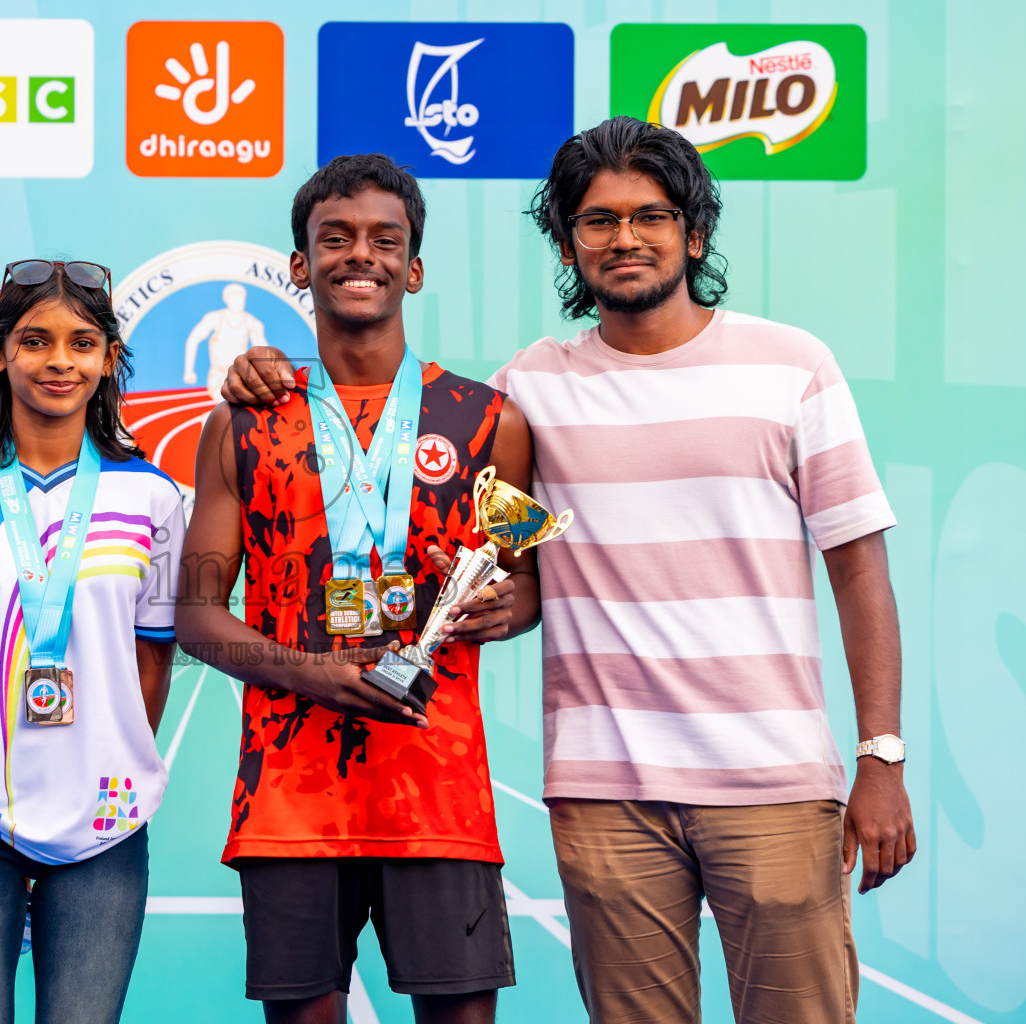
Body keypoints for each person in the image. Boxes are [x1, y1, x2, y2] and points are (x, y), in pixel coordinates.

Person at [221, 118, 915, 1024]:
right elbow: (510, 564)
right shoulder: (526, 393)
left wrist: (882, 756)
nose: (625, 238)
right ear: (566, 242)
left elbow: (860, 571)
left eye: (651, 216)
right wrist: (264, 370)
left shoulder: (792, 366)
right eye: (596, 221)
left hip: (773, 783)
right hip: (605, 791)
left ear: (693, 234)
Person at [176, 153, 540, 1024]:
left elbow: (526, 588)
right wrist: (317, 674)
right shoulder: (244, 419)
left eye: (385, 240)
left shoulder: (492, 421)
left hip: (438, 793)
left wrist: (508, 608)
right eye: (332, 239)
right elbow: (193, 612)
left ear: (413, 268)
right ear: (298, 265)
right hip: (290, 803)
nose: (359, 255)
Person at [0, 259, 184, 1024]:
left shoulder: (152, 497)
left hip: (105, 811)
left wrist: (99, 758)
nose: (60, 361)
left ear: (108, 359)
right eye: (35, 341)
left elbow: (153, 656)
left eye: (82, 343)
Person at [184, 282, 269, 400]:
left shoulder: (252, 323)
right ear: (227, 299)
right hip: (218, 375)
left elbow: (262, 352)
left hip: (240, 374)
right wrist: (189, 371)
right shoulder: (215, 318)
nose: (237, 301)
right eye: (233, 298)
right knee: (223, 405)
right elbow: (193, 340)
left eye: (240, 298)